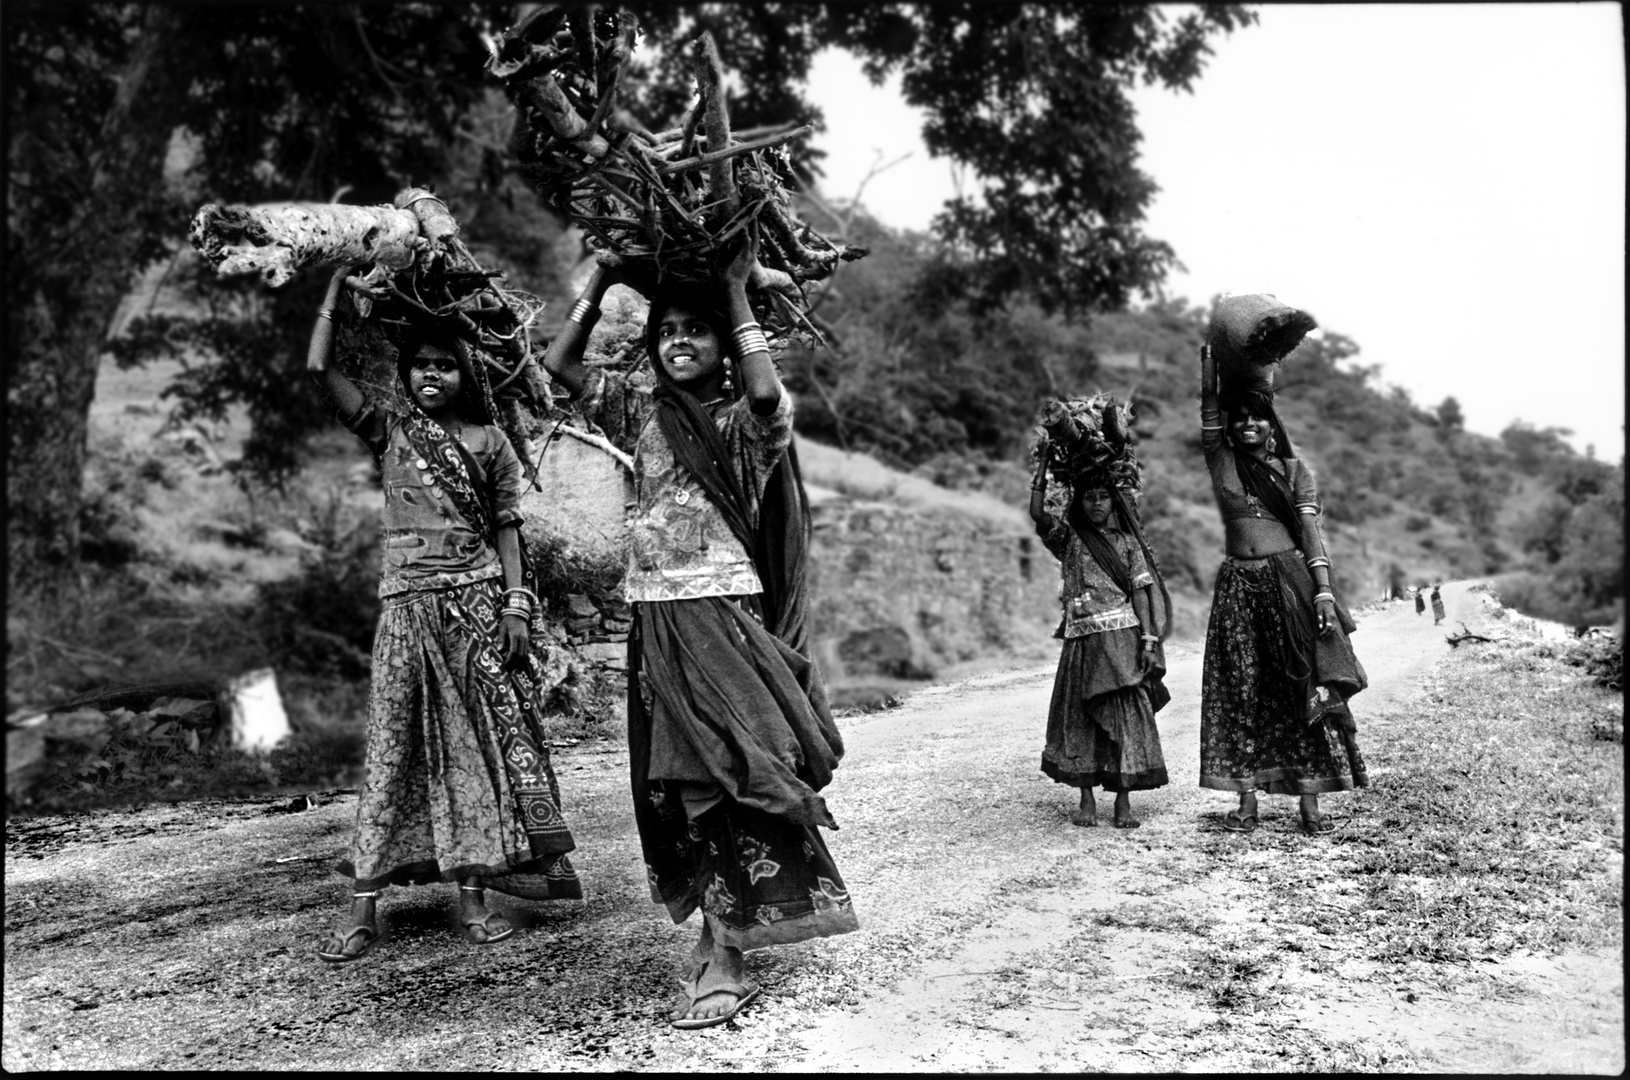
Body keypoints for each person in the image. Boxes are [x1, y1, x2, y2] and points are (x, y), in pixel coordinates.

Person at [543, 238, 857, 1030]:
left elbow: (765, 399)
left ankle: (729, 951)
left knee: (730, 772)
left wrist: (736, 291)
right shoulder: (643, 413)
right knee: (679, 783)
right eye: (667, 331)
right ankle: (724, 932)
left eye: (697, 329)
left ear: (723, 345)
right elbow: (560, 367)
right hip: (657, 624)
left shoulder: (745, 427)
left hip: (723, 619)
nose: (679, 340)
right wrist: (604, 278)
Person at [307, 265, 582, 963]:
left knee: (474, 748)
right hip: (405, 609)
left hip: (476, 605)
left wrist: (517, 609)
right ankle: (362, 906)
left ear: (465, 374)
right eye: (421, 366)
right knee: (394, 745)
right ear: (406, 376)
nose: (432, 375)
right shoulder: (389, 431)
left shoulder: (491, 445)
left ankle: (474, 897)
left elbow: (507, 529)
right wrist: (337, 295)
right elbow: (318, 370)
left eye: (445, 366)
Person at [1197, 342, 1368, 835]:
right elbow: (1208, 413)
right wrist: (1209, 363)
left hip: (1287, 584)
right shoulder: (1224, 462)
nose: (1247, 426)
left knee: (1300, 682)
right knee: (1240, 688)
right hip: (1237, 588)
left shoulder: (1294, 472)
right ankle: (1247, 804)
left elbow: (1311, 536)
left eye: (1258, 419)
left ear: (1273, 426)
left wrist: (1323, 592)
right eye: (1240, 419)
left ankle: (1310, 807)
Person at [1028, 420, 1171, 829]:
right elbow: (1038, 515)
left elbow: (1142, 593)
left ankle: (1123, 801)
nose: (1095, 505)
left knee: (1126, 717)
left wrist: (1148, 639)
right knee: (1080, 719)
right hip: (1082, 641)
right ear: (1080, 502)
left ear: (1113, 501)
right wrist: (1041, 471)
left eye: (1102, 497)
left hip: (1123, 641)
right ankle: (1087, 800)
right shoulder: (1069, 540)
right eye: (1088, 498)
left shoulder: (1127, 544)